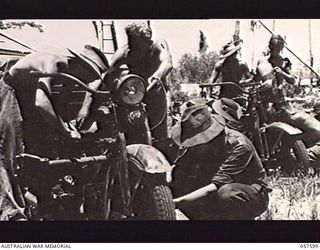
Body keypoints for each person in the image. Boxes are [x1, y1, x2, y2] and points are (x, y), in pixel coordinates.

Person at [170, 98, 271, 220]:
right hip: (216, 185)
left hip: (249, 192)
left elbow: (216, 186)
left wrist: (174, 203)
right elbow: (179, 168)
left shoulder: (239, 145)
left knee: (226, 194)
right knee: (178, 179)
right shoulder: (200, 145)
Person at [2, 45, 108, 155]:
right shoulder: (53, 64)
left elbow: (62, 107)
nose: (91, 79)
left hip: (27, 94)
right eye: (90, 73)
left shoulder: (68, 74)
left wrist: (69, 126)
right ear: (80, 64)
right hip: (10, 89)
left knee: (38, 139)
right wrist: (66, 132)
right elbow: (41, 103)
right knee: (10, 142)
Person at [80, 22, 173, 142]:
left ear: (147, 41)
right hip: (134, 94)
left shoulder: (158, 45)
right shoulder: (124, 52)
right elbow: (104, 75)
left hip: (155, 93)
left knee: (160, 135)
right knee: (126, 126)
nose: (133, 48)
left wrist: (157, 76)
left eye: (137, 45)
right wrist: (87, 106)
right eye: (130, 43)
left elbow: (167, 63)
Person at [255, 34, 296, 106]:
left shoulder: (284, 62)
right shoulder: (261, 61)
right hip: (262, 100)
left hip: (277, 101)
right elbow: (256, 80)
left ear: (281, 48)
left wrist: (282, 73)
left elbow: (292, 80)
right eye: (272, 48)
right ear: (269, 46)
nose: (274, 51)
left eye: (277, 49)